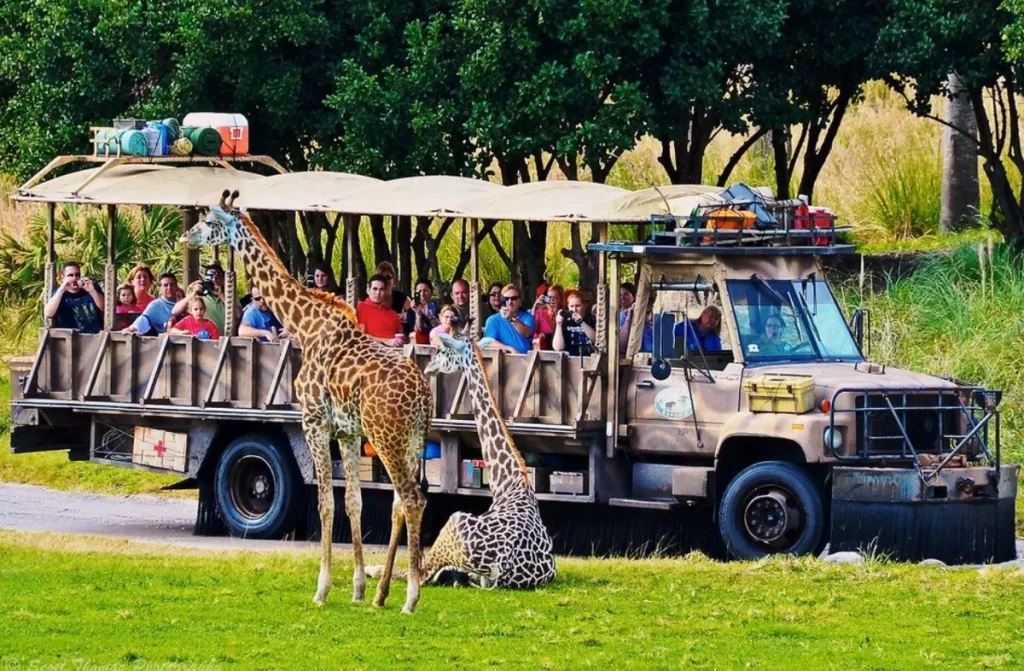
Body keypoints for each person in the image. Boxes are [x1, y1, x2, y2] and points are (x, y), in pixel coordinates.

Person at [44, 261, 105, 334]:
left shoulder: (92, 287)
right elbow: (48, 313)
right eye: (70, 275)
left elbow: (105, 308)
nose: (74, 278)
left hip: (96, 337)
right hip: (70, 339)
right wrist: (62, 289)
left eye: (77, 275)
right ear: (63, 277)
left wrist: (92, 291)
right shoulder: (58, 293)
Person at [172, 262, 229, 334]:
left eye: (217, 277)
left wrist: (222, 295)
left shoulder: (229, 293)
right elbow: (174, 311)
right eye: (211, 277)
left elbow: (238, 314)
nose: (214, 280)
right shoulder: (199, 294)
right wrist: (193, 293)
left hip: (224, 337)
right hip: (203, 338)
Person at [483, 284, 535, 354]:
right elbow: (487, 342)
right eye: (506, 299)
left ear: (520, 301)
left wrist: (512, 319)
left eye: (514, 298)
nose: (510, 302)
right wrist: (509, 348)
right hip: (501, 360)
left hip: (525, 359)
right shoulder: (492, 320)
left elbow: (527, 333)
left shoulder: (528, 317)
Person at [357, 274, 404, 347]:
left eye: (381, 289)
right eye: (375, 289)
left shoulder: (393, 314)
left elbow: (401, 337)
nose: (378, 293)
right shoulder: (361, 307)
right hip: (370, 353)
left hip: (394, 354)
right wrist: (386, 341)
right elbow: (360, 336)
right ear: (368, 289)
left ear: (386, 291)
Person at [553, 292, 597, 356]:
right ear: (568, 307)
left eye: (578, 306)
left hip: (589, 357)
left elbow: (596, 340)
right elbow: (558, 348)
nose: (574, 309)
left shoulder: (591, 319)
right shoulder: (565, 321)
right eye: (572, 306)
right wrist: (559, 325)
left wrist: (582, 323)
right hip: (570, 359)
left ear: (584, 306)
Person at [531, 284, 564, 349]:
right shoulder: (540, 313)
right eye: (549, 297)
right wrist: (534, 307)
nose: (552, 300)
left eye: (555, 298)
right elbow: (530, 331)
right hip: (541, 350)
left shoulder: (564, 314)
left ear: (561, 299)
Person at [409, 279, 439, 345]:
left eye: (425, 291)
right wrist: (418, 313)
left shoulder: (437, 308)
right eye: (419, 291)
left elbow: (440, 328)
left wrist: (428, 315)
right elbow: (417, 330)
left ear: (431, 293)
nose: (422, 294)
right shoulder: (411, 311)